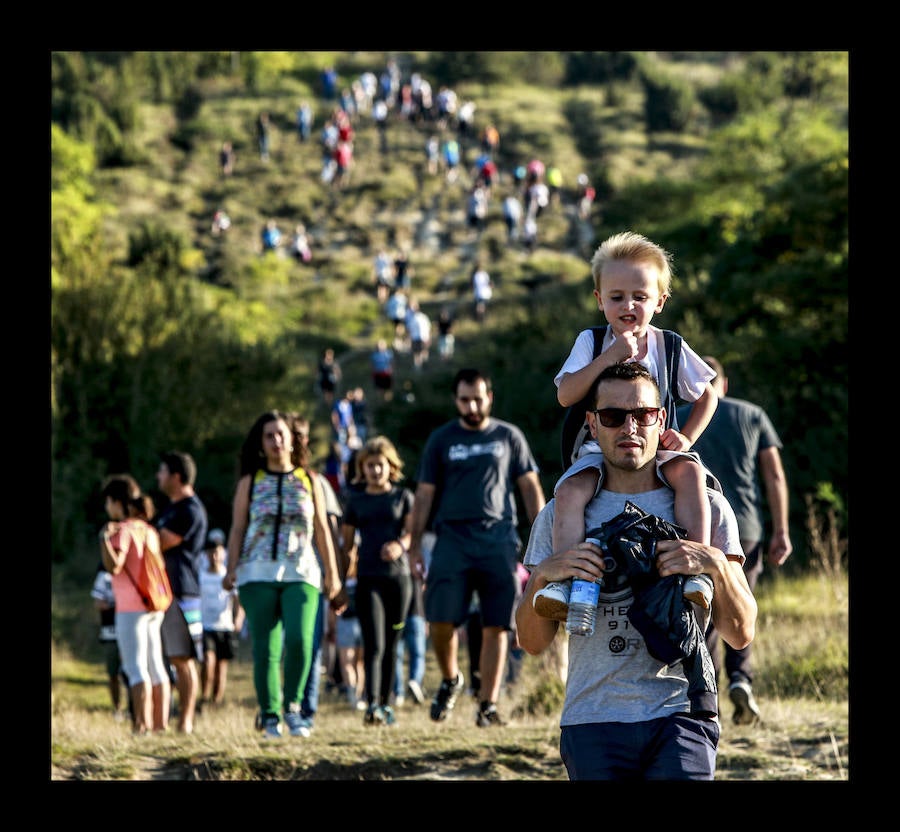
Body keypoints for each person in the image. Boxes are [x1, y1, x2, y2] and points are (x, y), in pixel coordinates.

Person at [515, 361, 757, 781]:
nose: (630, 427)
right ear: (592, 425)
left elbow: (741, 632)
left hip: (683, 713)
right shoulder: (560, 513)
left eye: (643, 415)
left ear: (660, 419)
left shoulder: (709, 506)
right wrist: (542, 577)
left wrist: (714, 564)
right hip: (592, 718)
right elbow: (532, 642)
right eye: (612, 417)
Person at [533, 231, 718, 622]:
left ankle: (694, 570)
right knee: (569, 490)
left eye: (640, 296)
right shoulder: (592, 340)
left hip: (657, 446)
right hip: (599, 448)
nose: (628, 305)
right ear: (600, 300)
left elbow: (707, 396)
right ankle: (562, 580)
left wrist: (686, 436)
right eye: (616, 297)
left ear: (660, 301)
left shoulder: (669, 345)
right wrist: (609, 357)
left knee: (691, 473)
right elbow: (566, 394)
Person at [408, 368, 546, 727]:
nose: (472, 405)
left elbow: (529, 486)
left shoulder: (508, 436)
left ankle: (487, 705)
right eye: (465, 399)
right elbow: (424, 495)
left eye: (478, 398)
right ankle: (452, 679)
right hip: (451, 540)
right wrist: (412, 546)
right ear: (456, 401)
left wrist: (544, 535)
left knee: (496, 625)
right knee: (439, 619)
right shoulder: (441, 440)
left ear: (490, 397)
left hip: (498, 539)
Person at [678, 355, 793, 725]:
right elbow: (774, 475)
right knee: (739, 606)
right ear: (723, 385)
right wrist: (782, 530)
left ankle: (704, 687)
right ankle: (740, 678)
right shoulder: (753, 414)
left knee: (703, 611)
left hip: (695, 523)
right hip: (745, 526)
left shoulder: (679, 417)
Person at [222, 411, 343, 739]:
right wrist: (230, 568)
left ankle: (294, 708)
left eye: (281, 434)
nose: (276, 441)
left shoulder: (310, 480)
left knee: (302, 641)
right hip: (256, 572)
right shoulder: (250, 482)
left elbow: (322, 529)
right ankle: (270, 715)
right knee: (266, 647)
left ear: (293, 438)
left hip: (301, 570)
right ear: (260, 444)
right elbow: (237, 529)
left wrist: (332, 574)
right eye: (269, 436)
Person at [340, 436, 415, 726]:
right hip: (368, 579)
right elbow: (346, 545)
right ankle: (371, 705)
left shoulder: (402, 497)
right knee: (374, 644)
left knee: (393, 644)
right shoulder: (355, 500)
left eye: (379, 465)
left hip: (399, 580)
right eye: (369, 465)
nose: (374, 470)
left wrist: (400, 545)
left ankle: (386, 704)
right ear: (362, 468)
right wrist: (338, 581)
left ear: (390, 466)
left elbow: (410, 534)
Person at [98, 474, 171, 735]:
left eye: (108, 502)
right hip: (153, 604)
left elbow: (114, 566)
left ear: (116, 502)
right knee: (156, 665)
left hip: (130, 607)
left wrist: (104, 539)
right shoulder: (148, 530)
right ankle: (160, 724)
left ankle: (141, 726)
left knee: (135, 667)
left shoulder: (124, 530)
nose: (107, 508)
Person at [155, 450, 208, 735]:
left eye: (162, 472)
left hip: (182, 592)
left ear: (176, 476)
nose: (158, 477)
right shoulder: (170, 509)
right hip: (162, 592)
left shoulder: (190, 509)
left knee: (183, 658)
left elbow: (159, 543)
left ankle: (186, 722)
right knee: (169, 658)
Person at [199, 528, 245, 709]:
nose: (214, 556)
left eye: (217, 552)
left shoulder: (228, 576)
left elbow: (238, 600)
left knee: (221, 667)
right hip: (206, 625)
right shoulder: (201, 576)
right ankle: (203, 695)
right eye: (211, 552)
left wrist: (238, 618)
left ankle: (216, 701)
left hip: (224, 626)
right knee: (207, 661)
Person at [90, 564, 130, 722]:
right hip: (110, 632)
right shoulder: (103, 576)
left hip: (128, 631)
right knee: (113, 673)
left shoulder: (131, 572)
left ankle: (132, 708)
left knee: (130, 671)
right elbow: (98, 602)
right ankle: (117, 707)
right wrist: (117, 607)